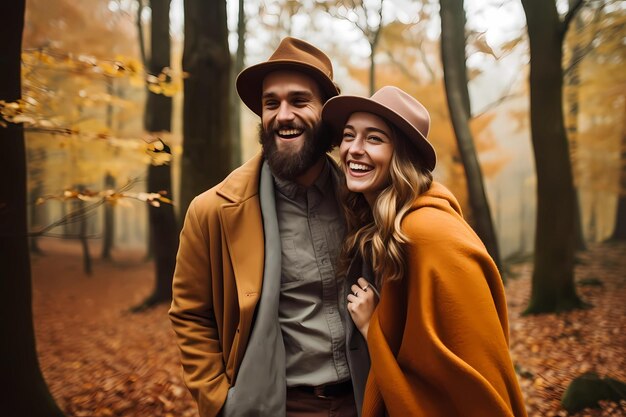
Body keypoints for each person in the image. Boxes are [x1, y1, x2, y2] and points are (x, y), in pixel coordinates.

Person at [169, 37, 369, 417]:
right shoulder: (213, 211)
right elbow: (190, 315)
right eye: (271, 103)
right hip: (278, 406)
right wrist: (220, 402)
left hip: (367, 399)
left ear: (327, 113)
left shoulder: (364, 201)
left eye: (299, 100)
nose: (283, 115)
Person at [321, 86, 528, 417]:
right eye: (348, 136)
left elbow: (469, 380)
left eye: (374, 139)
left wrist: (373, 327)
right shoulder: (383, 228)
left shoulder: (429, 234)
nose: (354, 150)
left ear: (401, 156)